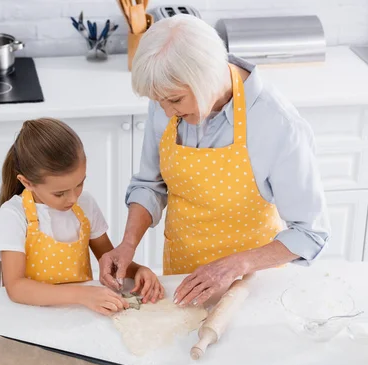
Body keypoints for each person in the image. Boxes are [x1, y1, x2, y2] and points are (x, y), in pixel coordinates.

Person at [99, 15, 330, 307]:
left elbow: (310, 232)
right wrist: (128, 244)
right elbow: (150, 184)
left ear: (205, 80)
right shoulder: (169, 95)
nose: (168, 113)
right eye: (160, 102)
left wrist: (235, 266)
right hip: (181, 279)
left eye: (175, 101)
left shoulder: (277, 124)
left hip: (251, 287)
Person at [0, 118, 164, 315]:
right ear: (27, 182)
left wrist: (138, 270)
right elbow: (16, 288)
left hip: (80, 314)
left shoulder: (85, 204)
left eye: (80, 184)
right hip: (33, 316)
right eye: (60, 193)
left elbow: (109, 259)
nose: (73, 198)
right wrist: (83, 295)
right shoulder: (14, 215)